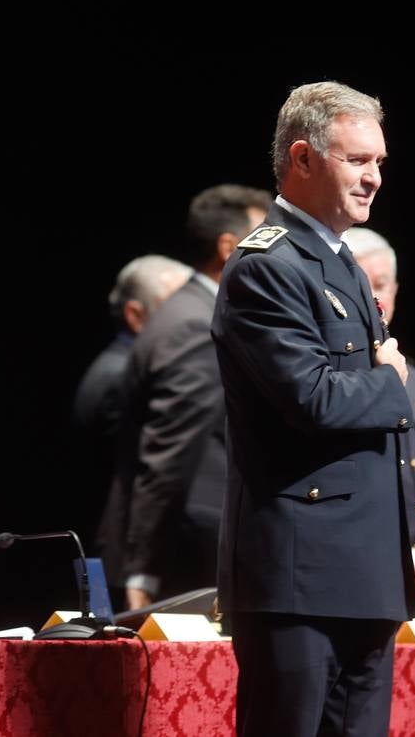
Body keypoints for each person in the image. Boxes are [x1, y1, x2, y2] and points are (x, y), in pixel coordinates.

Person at [212, 82, 415, 736]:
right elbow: (314, 398)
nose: (374, 178)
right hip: (299, 576)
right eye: (358, 160)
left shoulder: (345, 264)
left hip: (363, 571)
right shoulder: (266, 265)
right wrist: (393, 384)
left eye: (380, 162)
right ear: (302, 159)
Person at [100, 185, 270, 609]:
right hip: (187, 550)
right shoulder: (196, 323)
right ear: (229, 247)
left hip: (189, 540)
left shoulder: (190, 312)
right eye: (265, 236)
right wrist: (144, 568)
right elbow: (168, 454)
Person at [344, 226, 415, 615]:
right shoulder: (337, 379)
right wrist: (406, 560)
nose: (377, 297)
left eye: (383, 284)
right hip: (358, 578)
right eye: (364, 285)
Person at [73, 254, 190, 536]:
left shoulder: (121, 366)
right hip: (127, 544)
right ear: (135, 315)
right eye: (177, 308)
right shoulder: (122, 377)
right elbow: (143, 477)